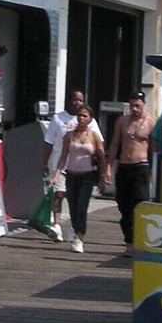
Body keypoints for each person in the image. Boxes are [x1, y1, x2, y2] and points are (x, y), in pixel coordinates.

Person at [42, 90, 101, 242]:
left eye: (80, 100)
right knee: (58, 195)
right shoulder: (58, 119)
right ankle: (57, 225)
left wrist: (100, 169)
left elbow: (99, 144)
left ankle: (76, 230)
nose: (77, 103)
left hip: (82, 168)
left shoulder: (90, 121)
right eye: (74, 99)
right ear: (69, 100)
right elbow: (49, 142)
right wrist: (44, 162)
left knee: (78, 204)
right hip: (61, 163)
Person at [106, 91, 154, 254]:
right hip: (124, 166)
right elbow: (114, 144)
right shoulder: (122, 121)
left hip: (141, 167)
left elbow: (154, 149)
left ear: (143, 105)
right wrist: (108, 166)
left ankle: (140, 240)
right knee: (124, 206)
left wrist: (153, 171)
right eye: (132, 105)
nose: (135, 109)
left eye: (138, 106)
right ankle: (129, 241)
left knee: (140, 204)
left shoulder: (150, 123)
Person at [56, 106, 107, 253]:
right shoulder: (69, 135)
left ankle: (79, 238)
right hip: (72, 174)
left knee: (82, 208)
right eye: (79, 115)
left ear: (90, 118)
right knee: (72, 207)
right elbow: (63, 156)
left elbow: (102, 157)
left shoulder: (94, 136)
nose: (81, 118)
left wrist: (103, 177)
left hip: (87, 176)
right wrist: (57, 174)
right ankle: (75, 228)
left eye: (85, 116)